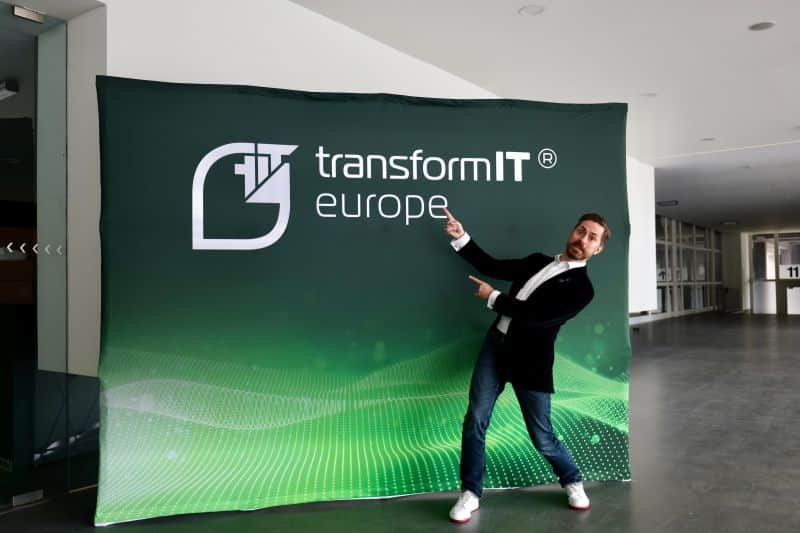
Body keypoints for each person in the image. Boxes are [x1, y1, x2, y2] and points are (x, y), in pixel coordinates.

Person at [443, 207, 610, 522]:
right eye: (581, 231)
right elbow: (493, 265)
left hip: (531, 362)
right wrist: (461, 237)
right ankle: (470, 493)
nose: (583, 239)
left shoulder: (582, 289)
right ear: (572, 231)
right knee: (475, 419)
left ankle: (572, 480)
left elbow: (537, 316)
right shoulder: (537, 261)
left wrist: (493, 297)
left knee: (541, 436)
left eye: (592, 237)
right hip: (495, 347)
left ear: (597, 248)